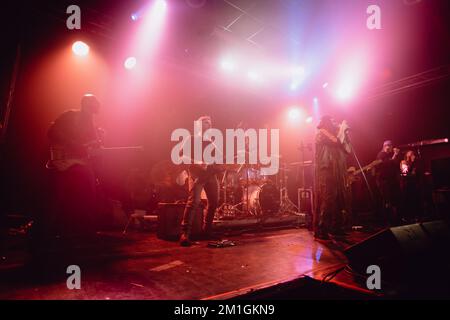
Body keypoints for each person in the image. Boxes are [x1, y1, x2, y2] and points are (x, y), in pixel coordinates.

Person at [46, 94, 102, 238]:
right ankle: (48, 229)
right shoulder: (70, 116)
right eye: (91, 107)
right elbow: (51, 132)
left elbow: (92, 146)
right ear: (84, 105)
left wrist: (97, 144)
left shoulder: (91, 125)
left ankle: (84, 228)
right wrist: (73, 144)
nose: (92, 111)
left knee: (89, 188)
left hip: (78, 163)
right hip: (63, 161)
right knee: (57, 196)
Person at [180, 116, 220, 246]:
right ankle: (185, 234)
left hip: (210, 175)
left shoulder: (211, 141)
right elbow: (181, 155)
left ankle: (206, 231)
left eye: (209, 123)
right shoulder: (191, 138)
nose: (208, 124)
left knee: (214, 202)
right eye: (205, 122)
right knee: (194, 202)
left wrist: (225, 164)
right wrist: (197, 162)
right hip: (196, 174)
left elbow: (217, 159)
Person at [314, 116, 351, 240]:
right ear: (327, 122)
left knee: (339, 199)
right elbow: (336, 141)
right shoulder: (321, 132)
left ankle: (336, 227)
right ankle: (321, 229)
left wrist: (345, 134)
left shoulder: (335, 135)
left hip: (337, 172)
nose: (336, 123)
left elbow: (348, 150)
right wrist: (342, 129)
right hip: (327, 170)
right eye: (333, 121)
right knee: (328, 199)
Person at [375, 140, 401, 226]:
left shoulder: (388, 155)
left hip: (389, 181)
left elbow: (394, 165)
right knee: (387, 200)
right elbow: (388, 163)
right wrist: (395, 155)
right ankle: (387, 220)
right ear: (386, 146)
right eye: (389, 147)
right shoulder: (381, 155)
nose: (391, 149)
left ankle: (393, 219)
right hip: (383, 181)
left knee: (392, 200)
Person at [400, 150, 423, 222]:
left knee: (415, 200)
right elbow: (405, 172)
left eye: (413, 153)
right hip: (407, 184)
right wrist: (412, 164)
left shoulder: (415, 163)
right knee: (408, 200)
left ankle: (416, 216)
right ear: (407, 155)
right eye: (410, 153)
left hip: (414, 184)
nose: (412, 155)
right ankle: (407, 217)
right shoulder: (404, 162)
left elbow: (415, 173)